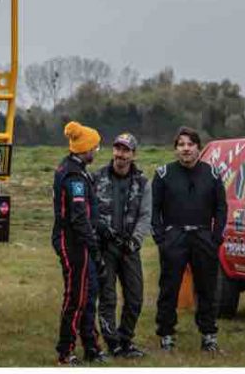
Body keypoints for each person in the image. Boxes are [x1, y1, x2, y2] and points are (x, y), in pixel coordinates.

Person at [152, 127, 227, 352]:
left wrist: (216, 237)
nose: (186, 149)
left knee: (207, 288)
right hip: (174, 236)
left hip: (203, 236)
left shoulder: (212, 175)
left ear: (198, 148)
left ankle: (208, 335)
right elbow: (153, 209)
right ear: (176, 149)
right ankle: (166, 334)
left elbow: (221, 208)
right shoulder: (163, 174)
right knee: (169, 288)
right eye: (181, 145)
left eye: (190, 144)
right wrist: (160, 237)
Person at [52, 121, 108, 366]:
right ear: (85, 148)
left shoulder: (79, 169)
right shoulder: (73, 175)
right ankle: (65, 351)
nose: (97, 151)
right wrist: (94, 248)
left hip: (81, 241)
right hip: (74, 242)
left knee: (89, 294)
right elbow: (78, 217)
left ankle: (91, 347)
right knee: (75, 297)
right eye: (95, 147)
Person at [93, 133, 151, 358]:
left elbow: (146, 215)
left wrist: (135, 241)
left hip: (129, 248)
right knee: (107, 298)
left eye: (126, 150)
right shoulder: (96, 178)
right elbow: (90, 211)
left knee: (135, 297)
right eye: (117, 149)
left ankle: (126, 340)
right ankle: (113, 343)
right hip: (104, 248)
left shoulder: (143, 182)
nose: (120, 154)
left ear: (133, 154)